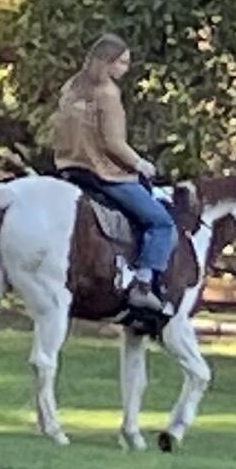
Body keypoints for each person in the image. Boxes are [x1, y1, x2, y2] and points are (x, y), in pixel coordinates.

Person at [48, 33, 173, 323]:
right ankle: (143, 284)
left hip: (70, 169)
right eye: (122, 62)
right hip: (103, 174)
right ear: (107, 63)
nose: (125, 69)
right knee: (160, 221)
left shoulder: (71, 89)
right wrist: (141, 164)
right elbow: (113, 143)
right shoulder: (107, 93)